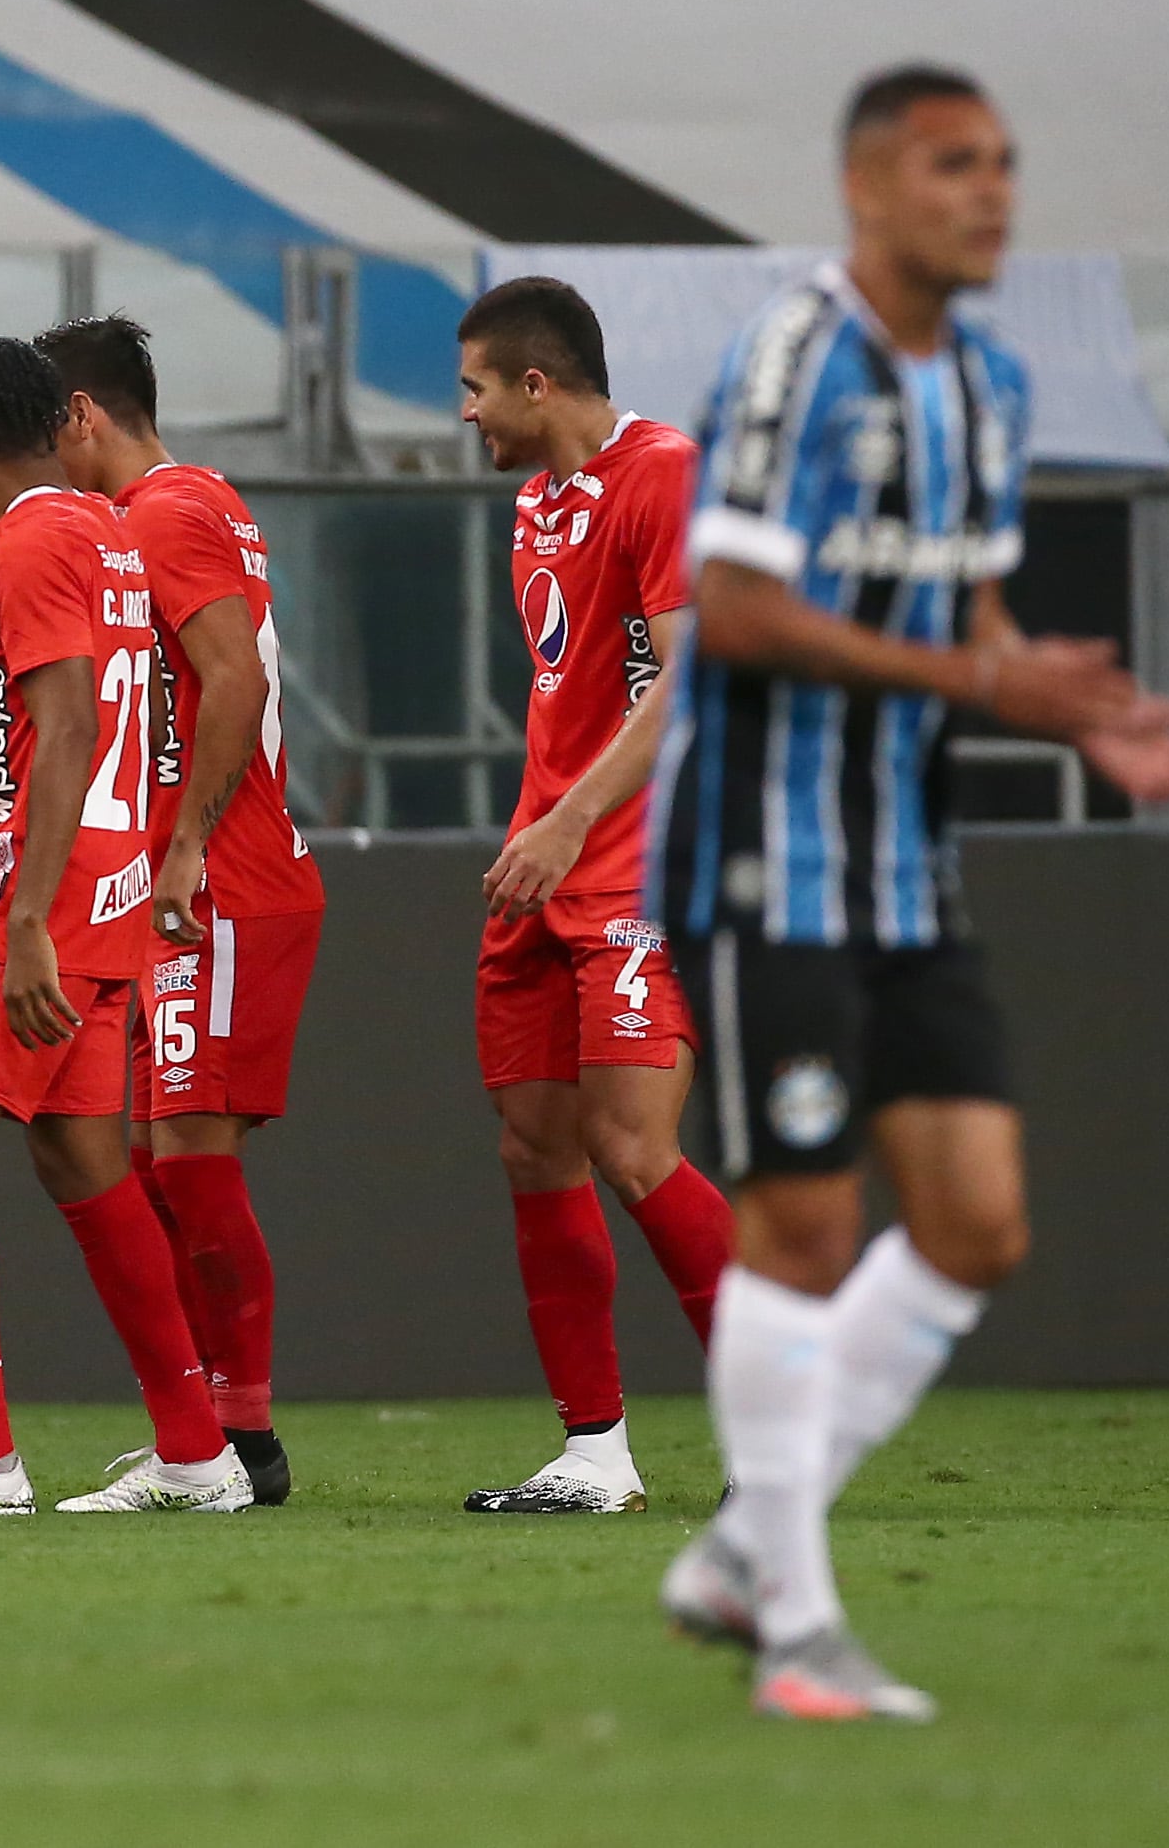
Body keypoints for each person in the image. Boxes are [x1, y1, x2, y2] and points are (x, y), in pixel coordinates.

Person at [652, 67, 1169, 1719]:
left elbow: (963, 630)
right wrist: (984, 685)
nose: (988, 193)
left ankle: (743, 1549)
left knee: (974, 1222)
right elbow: (734, 607)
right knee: (806, 1222)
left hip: (904, 857)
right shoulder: (793, 353)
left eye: (1001, 165)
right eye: (950, 165)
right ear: (864, 189)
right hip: (764, 852)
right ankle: (795, 1637)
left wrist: (1076, 707)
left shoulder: (981, 379)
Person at [0, 337, 247, 1518]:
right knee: (83, 1161)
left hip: (43, 881)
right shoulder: (104, 533)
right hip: (111, 880)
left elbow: (68, 725)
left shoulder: (26, 544)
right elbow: (109, 692)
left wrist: (24, 922)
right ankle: (195, 1448)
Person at [449, 280, 737, 1515]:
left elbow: (689, 679)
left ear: (535, 382)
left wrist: (572, 820)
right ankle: (594, 1451)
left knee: (633, 1144)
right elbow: (578, 689)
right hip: (544, 863)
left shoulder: (663, 472)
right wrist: (544, 822)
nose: (462, 415)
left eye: (471, 388)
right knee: (534, 1149)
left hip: (633, 860)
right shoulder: (536, 507)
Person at [44, 313, 324, 1507]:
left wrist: (188, 845)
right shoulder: (178, 506)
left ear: (82, 417)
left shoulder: (164, 510)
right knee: (164, 1160)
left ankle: (240, 1440)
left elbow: (236, 674)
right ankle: (205, 1429)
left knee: (191, 1164)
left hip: (223, 877)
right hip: (196, 875)